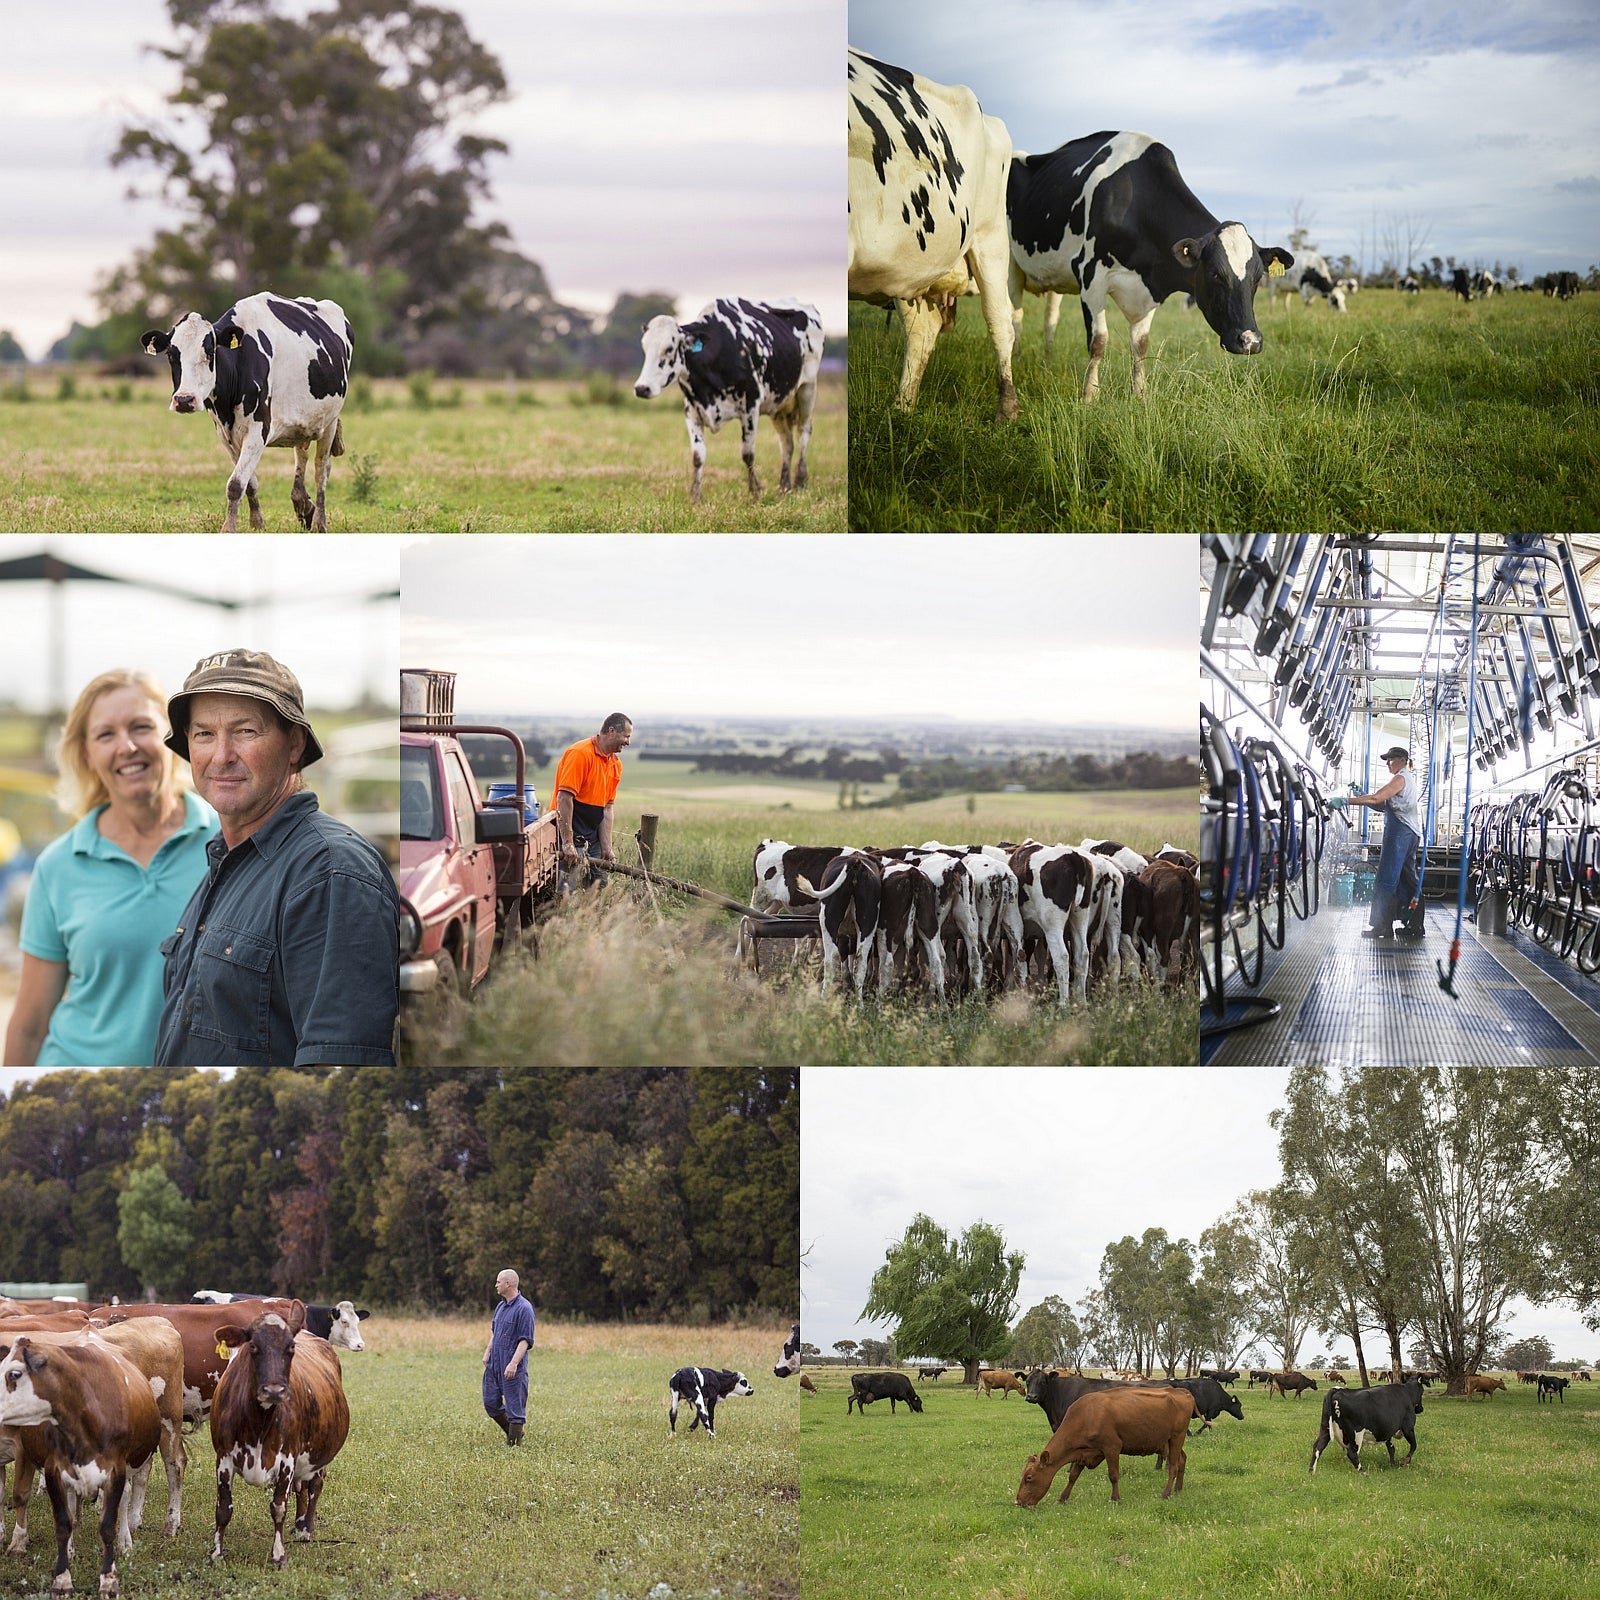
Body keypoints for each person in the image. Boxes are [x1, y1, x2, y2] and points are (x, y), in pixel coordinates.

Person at [151, 648, 400, 1066]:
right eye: (203, 734)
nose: (221, 755)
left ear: (294, 744)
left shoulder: (329, 872)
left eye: (246, 731)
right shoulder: (227, 861)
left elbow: (339, 1069)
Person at [4, 670, 219, 1067]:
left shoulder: (228, 842)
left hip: (198, 1097)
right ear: (87, 754)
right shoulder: (59, 865)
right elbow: (29, 1024)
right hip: (80, 1093)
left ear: (173, 737)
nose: (127, 746)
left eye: (141, 727)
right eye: (105, 735)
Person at [1346, 745, 1422, 941]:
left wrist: (1346, 801)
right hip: (1410, 833)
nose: (1388, 763)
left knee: (1386, 880)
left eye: (1391, 759)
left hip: (1400, 834)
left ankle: (1382, 927)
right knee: (1408, 882)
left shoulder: (1400, 778)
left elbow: (1376, 798)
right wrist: (1363, 796)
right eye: (1387, 760)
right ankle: (1415, 925)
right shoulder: (1407, 779)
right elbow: (1383, 804)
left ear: (1404, 760)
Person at [553, 713, 631, 889]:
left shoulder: (615, 764)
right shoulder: (580, 753)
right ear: (611, 731)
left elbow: (607, 808)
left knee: (600, 884)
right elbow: (564, 798)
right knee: (567, 890)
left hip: (593, 838)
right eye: (626, 736)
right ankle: (563, 916)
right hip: (570, 835)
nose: (628, 742)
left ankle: (591, 917)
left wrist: (607, 848)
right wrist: (568, 842)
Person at [482, 1267, 536, 1446]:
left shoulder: (524, 1308)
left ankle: (513, 1445)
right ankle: (516, 1432)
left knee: (515, 1406)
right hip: (494, 1362)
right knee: (490, 1401)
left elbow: (525, 1340)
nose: (496, 1285)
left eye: (498, 1281)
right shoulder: (501, 1306)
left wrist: (513, 1363)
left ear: (508, 1283)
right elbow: (495, 1332)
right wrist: (488, 1352)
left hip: (511, 1363)